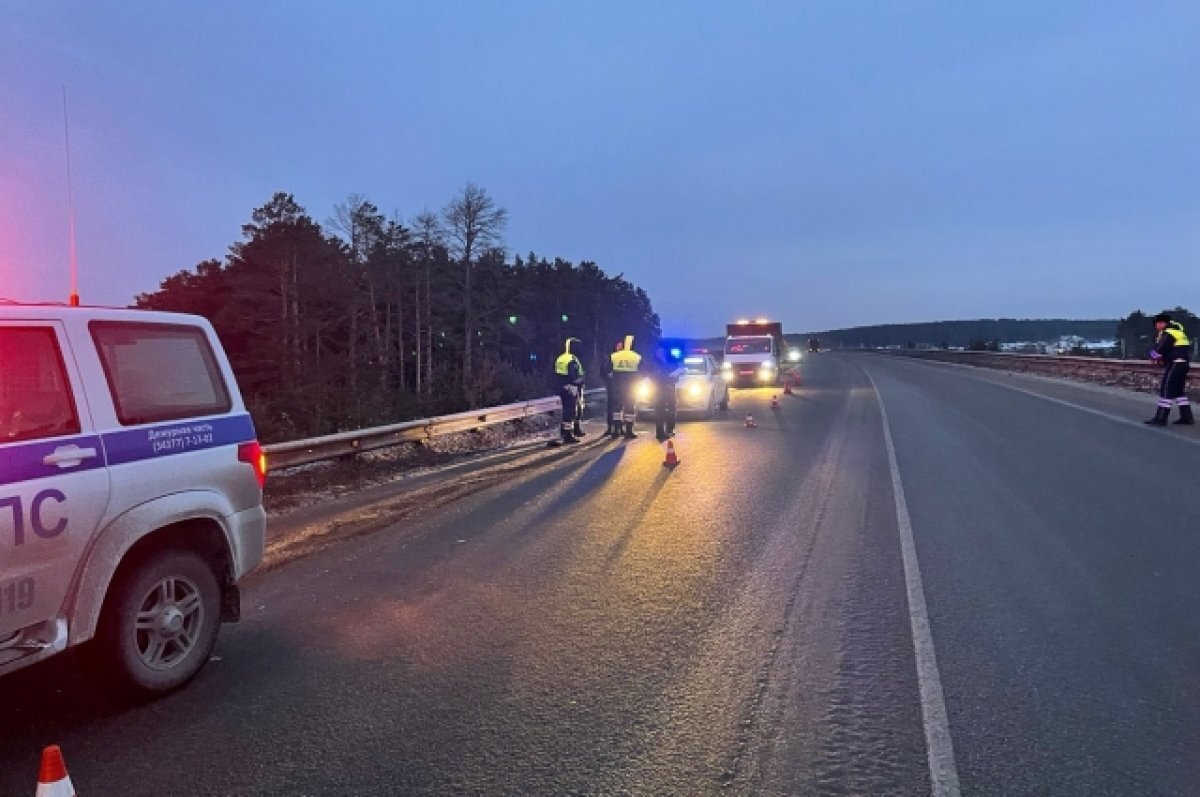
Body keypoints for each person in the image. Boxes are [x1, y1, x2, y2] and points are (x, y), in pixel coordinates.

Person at [1145, 313, 1193, 426]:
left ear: (1162, 323)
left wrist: (1151, 356)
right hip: (1183, 364)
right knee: (1178, 391)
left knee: (1166, 390)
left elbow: (1159, 350)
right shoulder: (1179, 332)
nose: (1156, 327)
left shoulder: (1169, 333)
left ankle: (1161, 418)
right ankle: (1187, 417)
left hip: (1175, 364)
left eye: (1156, 324)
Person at [553, 337, 585, 444]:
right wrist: (580, 381)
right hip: (571, 388)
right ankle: (568, 435)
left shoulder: (561, 358)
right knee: (570, 411)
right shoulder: (572, 360)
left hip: (561, 386)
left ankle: (566, 432)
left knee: (567, 410)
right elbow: (573, 376)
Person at [610, 335, 642, 439]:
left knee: (616, 409)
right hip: (631, 387)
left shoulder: (615, 356)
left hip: (617, 386)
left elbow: (606, 370)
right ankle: (629, 431)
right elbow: (644, 370)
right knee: (630, 409)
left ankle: (616, 430)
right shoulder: (636, 356)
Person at [652, 343, 684, 441]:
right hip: (659, 389)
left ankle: (670, 429)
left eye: (662, 351)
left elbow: (677, 372)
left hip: (670, 388)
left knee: (672, 409)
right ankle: (660, 432)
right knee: (660, 411)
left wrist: (675, 377)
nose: (661, 353)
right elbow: (652, 375)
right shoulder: (654, 363)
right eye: (659, 351)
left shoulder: (671, 361)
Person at [602, 339, 624, 437]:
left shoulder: (625, 358)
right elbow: (603, 371)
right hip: (612, 387)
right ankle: (610, 427)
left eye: (621, 346)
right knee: (611, 408)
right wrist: (608, 377)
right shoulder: (611, 358)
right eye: (618, 346)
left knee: (622, 408)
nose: (620, 348)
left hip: (623, 387)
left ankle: (620, 427)